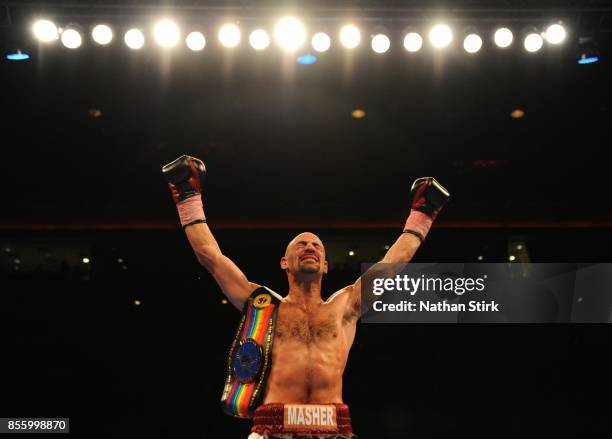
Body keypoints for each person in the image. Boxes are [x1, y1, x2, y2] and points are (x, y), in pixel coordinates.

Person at [162, 155, 450, 439]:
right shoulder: (264, 305)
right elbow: (212, 258)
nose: (309, 247)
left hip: (334, 426)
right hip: (272, 426)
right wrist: (187, 197)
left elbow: (393, 264)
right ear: (284, 262)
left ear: (325, 265)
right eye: (301, 244)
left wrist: (422, 215)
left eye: (316, 245)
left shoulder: (345, 305)